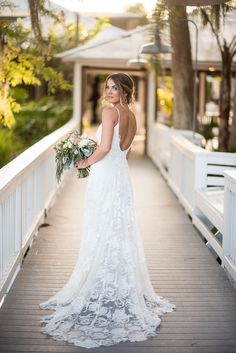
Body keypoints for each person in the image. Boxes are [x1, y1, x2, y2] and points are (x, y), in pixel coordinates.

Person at [39, 72, 176, 349]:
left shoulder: (109, 111)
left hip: (104, 178)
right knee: (117, 229)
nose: (109, 91)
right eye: (107, 87)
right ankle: (117, 281)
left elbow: (103, 149)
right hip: (121, 178)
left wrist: (83, 162)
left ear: (125, 90)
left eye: (114, 88)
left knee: (101, 227)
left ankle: (100, 281)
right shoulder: (132, 115)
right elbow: (123, 150)